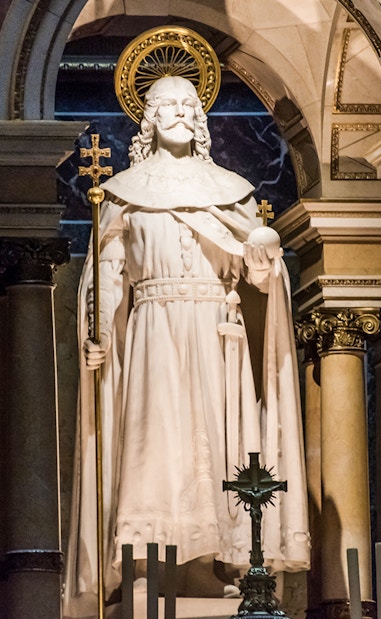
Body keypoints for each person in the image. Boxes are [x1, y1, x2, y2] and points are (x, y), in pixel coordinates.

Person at [64, 76, 310, 617]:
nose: (177, 112)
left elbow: (259, 278)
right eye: (165, 105)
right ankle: (150, 566)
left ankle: (210, 562)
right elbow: (108, 273)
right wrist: (96, 329)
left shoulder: (232, 189)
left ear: (200, 119)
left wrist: (265, 255)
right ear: (147, 118)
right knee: (156, 442)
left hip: (216, 332)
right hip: (152, 332)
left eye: (187, 105)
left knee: (217, 442)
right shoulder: (125, 191)